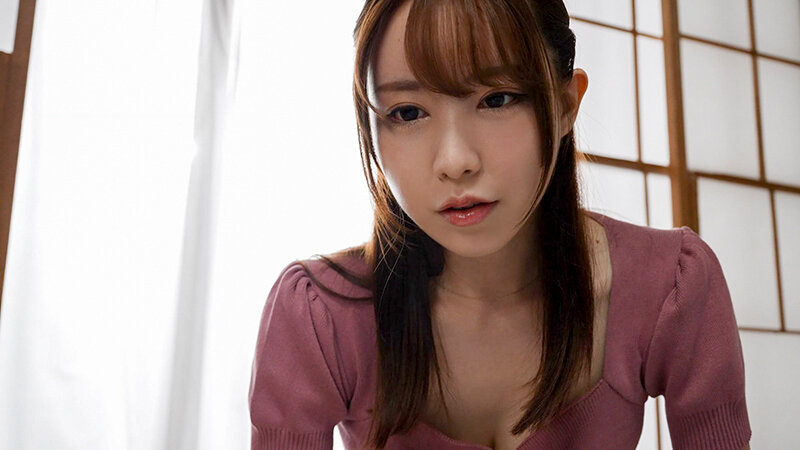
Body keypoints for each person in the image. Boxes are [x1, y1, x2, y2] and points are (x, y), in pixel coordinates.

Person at [249, 0, 752, 449]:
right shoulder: (320, 317)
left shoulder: (672, 286)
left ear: (566, 105)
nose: (455, 161)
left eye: (496, 99)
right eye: (407, 112)